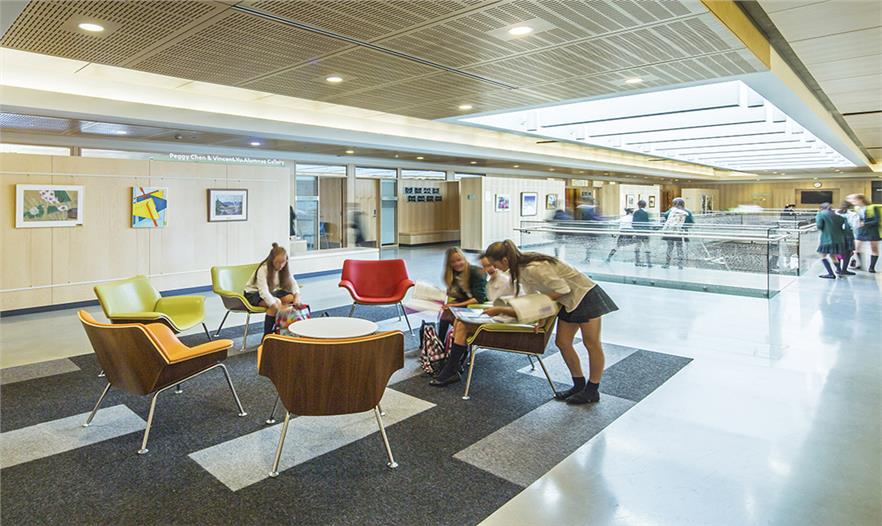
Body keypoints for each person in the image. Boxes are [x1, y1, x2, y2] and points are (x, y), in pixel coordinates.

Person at [478, 240, 618, 405]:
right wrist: (540, 318)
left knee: (591, 343)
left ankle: (593, 389)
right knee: (563, 342)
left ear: (505, 260)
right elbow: (533, 296)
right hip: (568, 301)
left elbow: (563, 289)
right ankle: (579, 385)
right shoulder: (519, 269)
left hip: (585, 295)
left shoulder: (535, 267)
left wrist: (536, 305)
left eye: (495, 265)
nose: (494, 269)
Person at [430, 253, 513, 387]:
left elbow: (512, 307)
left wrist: (496, 310)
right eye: (485, 266)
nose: (488, 269)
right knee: (459, 321)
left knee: (462, 325)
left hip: (505, 321)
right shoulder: (493, 281)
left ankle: (451, 368)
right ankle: (453, 365)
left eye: (491, 265)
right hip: (496, 315)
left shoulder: (504, 281)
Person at [243, 243, 302, 335]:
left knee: (291, 298)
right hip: (253, 294)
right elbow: (263, 292)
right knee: (275, 303)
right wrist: (278, 306)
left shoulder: (284, 269)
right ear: (272, 260)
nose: (281, 265)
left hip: (271, 292)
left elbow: (293, 284)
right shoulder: (263, 269)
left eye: (283, 262)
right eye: (278, 262)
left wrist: (297, 297)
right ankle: (267, 335)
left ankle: (284, 331)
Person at [436, 247, 487, 343]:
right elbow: (456, 294)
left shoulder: (476, 272)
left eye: (459, 260)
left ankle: (455, 343)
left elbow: (479, 298)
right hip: (465, 301)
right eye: (453, 262)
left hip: (478, 304)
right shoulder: (454, 274)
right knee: (445, 313)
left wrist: (454, 305)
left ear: (464, 259)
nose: (457, 264)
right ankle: (441, 343)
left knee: (451, 315)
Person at [846, 194, 880, 273]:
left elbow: (876, 220)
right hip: (861, 231)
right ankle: (859, 264)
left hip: (872, 231)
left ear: (860, 199)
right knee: (856, 248)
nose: (852, 202)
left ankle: (872, 268)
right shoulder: (857, 208)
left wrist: (865, 224)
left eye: (854, 200)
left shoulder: (872, 207)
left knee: (874, 249)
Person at [815, 203, 848, 279]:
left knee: (822, 255)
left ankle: (830, 273)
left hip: (827, 239)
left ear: (821, 208)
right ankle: (839, 270)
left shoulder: (820, 214)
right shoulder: (838, 216)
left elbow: (819, 226)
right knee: (833, 255)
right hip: (839, 239)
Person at [661, 197, 694, 269]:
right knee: (680, 248)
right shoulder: (687, 211)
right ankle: (680, 265)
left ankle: (667, 263)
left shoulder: (672, 210)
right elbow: (691, 222)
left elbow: (665, 215)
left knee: (669, 247)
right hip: (680, 232)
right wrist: (684, 226)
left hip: (670, 232)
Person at [836, 201, 858, 276]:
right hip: (848, 235)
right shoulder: (853, 214)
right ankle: (844, 270)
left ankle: (838, 269)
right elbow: (855, 226)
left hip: (837, 235)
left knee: (837, 252)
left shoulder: (836, 213)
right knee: (848, 253)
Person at [632, 200, 652, 267]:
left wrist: (635, 231)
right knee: (647, 246)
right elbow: (649, 222)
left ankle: (637, 261)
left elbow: (633, 223)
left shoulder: (636, 212)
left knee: (637, 245)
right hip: (646, 232)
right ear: (645, 205)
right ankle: (649, 262)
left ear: (638, 205)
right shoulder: (647, 212)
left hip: (638, 232)